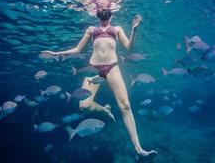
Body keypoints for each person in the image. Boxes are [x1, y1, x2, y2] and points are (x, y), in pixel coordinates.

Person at [41, 9, 157, 160]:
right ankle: (105, 110)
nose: (104, 15)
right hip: (93, 68)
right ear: (97, 15)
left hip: (112, 67)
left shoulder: (117, 29)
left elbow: (128, 48)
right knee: (84, 106)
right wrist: (57, 53)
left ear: (112, 15)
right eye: (101, 12)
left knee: (125, 106)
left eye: (107, 12)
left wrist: (134, 30)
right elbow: (77, 49)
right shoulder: (91, 30)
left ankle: (138, 149)